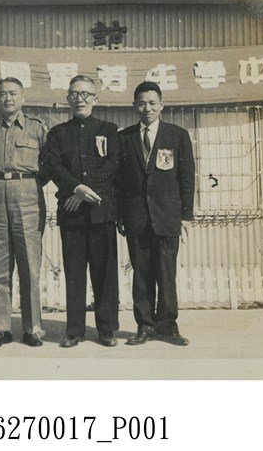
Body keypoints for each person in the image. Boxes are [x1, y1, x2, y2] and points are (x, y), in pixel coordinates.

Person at [40, 75, 120, 348]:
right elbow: (53, 165)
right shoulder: (57, 133)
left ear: (95, 99)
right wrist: (75, 188)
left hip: (101, 212)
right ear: (68, 98)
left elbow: (113, 165)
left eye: (86, 94)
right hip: (72, 214)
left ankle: (107, 329)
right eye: (74, 94)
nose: (80, 99)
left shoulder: (109, 129)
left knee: (105, 274)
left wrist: (83, 192)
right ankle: (74, 330)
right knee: (74, 274)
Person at [117, 81, 195, 346]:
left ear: (162, 105)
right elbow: (119, 181)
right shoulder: (124, 138)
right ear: (134, 106)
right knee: (141, 275)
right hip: (136, 218)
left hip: (167, 217)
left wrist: (185, 215)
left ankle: (168, 326)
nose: (147, 108)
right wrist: (121, 215)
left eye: (152, 103)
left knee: (166, 274)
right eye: (141, 103)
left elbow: (187, 177)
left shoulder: (177, 135)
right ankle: (145, 326)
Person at [0, 77, 48, 349]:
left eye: (13, 93)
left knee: (30, 265)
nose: (8, 98)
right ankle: (0, 329)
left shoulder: (36, 128)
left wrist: (28, 185)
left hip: (27, 194)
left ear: (23, 98)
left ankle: (32, 328)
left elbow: (49, 163)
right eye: (3, 94)